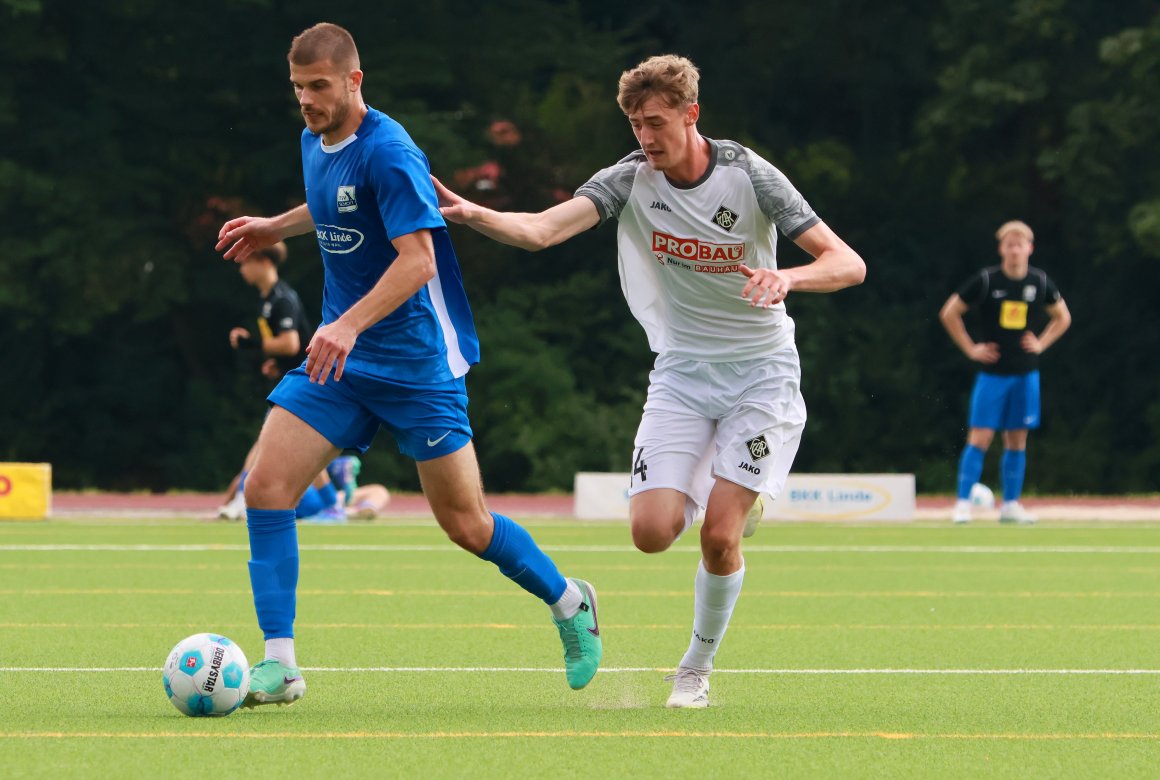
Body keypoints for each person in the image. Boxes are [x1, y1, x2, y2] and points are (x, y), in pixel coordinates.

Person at [435, 54, 866, 708]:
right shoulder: (629, 180)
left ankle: (694, 668)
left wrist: (789, 278)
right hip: (682, 376)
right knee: (651, 533)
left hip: (762, 377)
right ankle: (728, 484)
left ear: (692, 114)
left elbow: (847, 263)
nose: (646, 138)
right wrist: (472, 215)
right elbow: (544, 231)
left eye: (657, 122)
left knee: (718, 536)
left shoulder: (751, 177)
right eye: (636, 124)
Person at [214, 22, 602, 707]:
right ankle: (281, 665)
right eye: (298, 87)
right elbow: (335, 205)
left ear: (354, 81)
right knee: (267, 488)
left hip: (414, 364)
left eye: (320, 87)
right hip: (344, 362)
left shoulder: (390, 151)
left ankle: (570, 601)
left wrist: (345, 324)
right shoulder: (313, 138)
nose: (306, 100)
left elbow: (418, 259)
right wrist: (276, 226)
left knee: (466, 525)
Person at [939, 220, 1071, 525]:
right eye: (1009, 245)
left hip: (1026, 374)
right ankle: (962, 504)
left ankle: (1010, 505)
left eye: (1020, 244)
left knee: (1017, 440)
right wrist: (971, 348)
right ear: (1002, 249)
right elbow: (950, 312)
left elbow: (1062, 316)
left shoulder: (1038, 282)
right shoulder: (986, 280)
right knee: (980, 437)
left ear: (1029, 248)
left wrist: (1041, 343)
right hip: (992, 374)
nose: (1014, 250)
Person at [217, 241, 316, 521]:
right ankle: (237, 499)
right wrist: (276, 364)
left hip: (302, 382)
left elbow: (290, 343)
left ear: (263, 261)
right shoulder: (267, 299)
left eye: (246, 261)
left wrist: (250, 345)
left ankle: (239, 500)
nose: (241, 269)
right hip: (292, 379)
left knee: (266, 441)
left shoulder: (281, 299)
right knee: (271, 443)